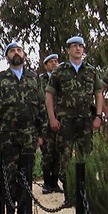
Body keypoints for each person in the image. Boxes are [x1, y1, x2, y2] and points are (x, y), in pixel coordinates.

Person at [0, 42, 47, 214]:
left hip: (29, 135)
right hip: (8, 135)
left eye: (19, 50)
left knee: (26, 175)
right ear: (7, 57)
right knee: (8, 176)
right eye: (12, 51)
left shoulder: (33, 78)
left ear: (24, 55)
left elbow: (42, 106)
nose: (16, 53)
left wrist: (41, 134)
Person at [45, 36, 104, 207]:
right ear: (69, 50)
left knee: (85, 156)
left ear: (83, 49)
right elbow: (49, 95)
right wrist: (52, 118)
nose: (78, 49)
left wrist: (98, 116)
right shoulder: (59, 71)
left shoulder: (91, 71)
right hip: (65, 121)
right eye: (74, 46)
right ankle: (69, 195)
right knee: (65, 157)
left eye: (80, 46)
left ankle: (83, 195)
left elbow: (98, 94)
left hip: (86, 120)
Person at [38, 54, 62, 194]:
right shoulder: (40, 80)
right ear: (45, 65)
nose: (54, 63)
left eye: (56, 61)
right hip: (45, 122)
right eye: (51, 62)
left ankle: (55, 182)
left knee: (58, 152)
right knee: (47, 153)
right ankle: (47, 183)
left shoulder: (62, 78)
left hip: (60, 120)